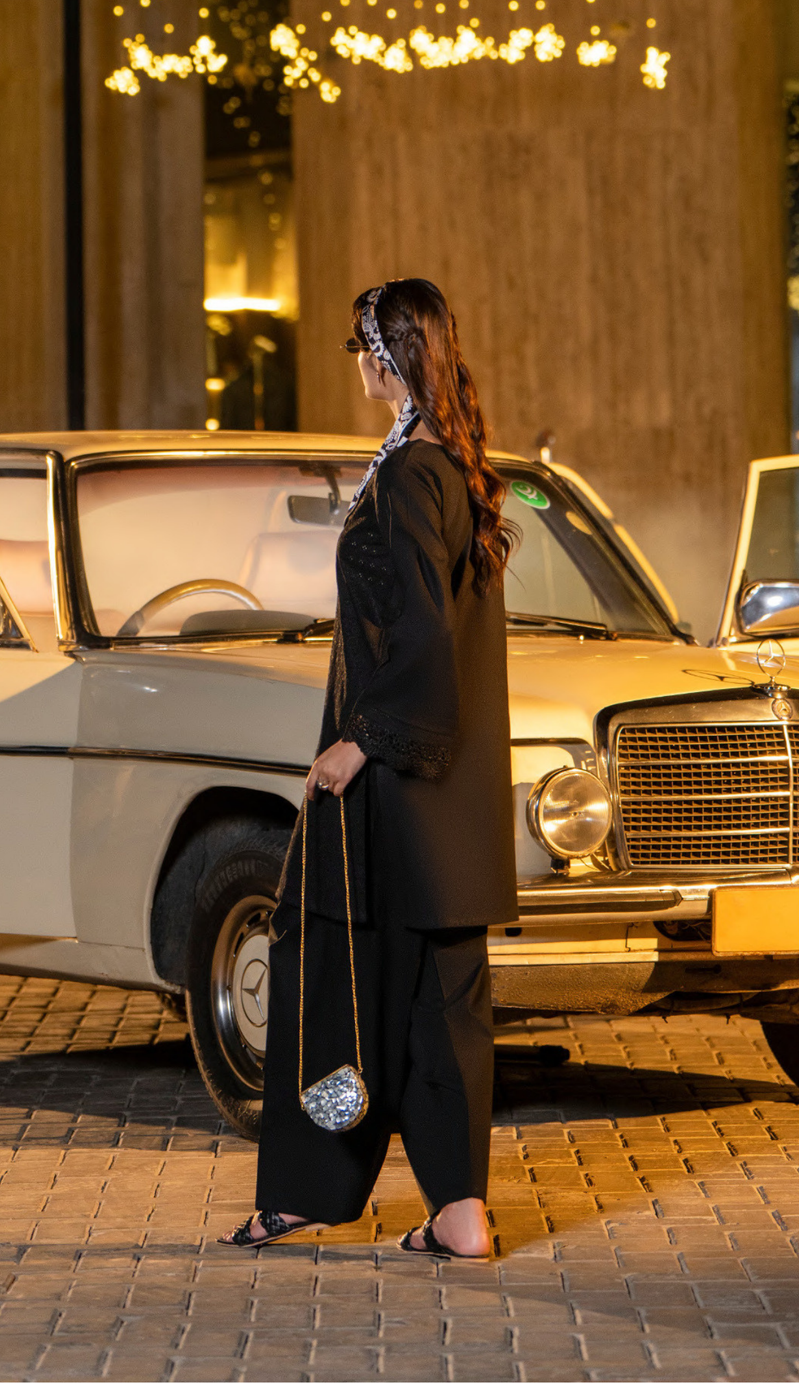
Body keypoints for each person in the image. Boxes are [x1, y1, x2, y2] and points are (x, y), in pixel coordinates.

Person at [220, 278, 518, 1259]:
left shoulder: (408, 476)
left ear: (390, 356)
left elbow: (424, 639)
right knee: (441, 1002)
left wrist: (360, 742)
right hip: (452, 799)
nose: (355, 363)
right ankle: (460, 1213)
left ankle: (305, 1192)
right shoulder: (448, 464)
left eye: (361, 346)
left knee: (328, 975)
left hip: (397, 785)